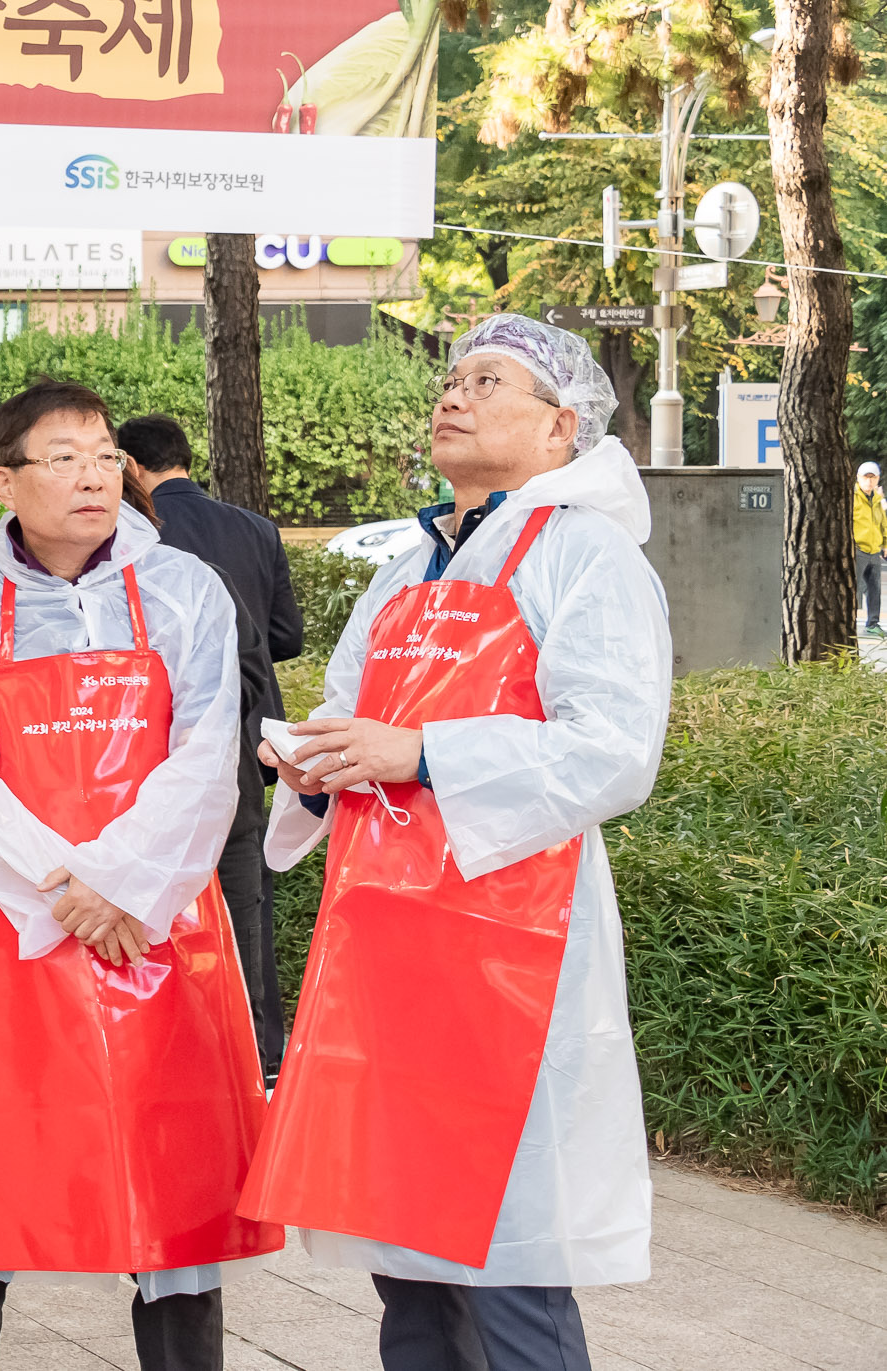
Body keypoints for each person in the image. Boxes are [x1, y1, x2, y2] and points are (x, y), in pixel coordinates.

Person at [242, 314, 671, 1371]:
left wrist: (420, 751)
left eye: (488, 380)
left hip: (510, 950)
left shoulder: (585, 553)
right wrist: (316, 762)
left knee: (508, 1264)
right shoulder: (406, 565)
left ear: (561, 425)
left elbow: (613, 749)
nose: (454, 395)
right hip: (387, 945)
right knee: (410, 1265)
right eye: (451, 378)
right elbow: (352, 713)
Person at [0, 379, 279, 1371]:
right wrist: (63, 887)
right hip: (13, 923)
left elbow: (207, 751)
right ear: (4, 483)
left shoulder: (182, 590)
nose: (91, 474)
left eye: (104, 453)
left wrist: (121, 884)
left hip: (157, 927)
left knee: (170, 1179)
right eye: (61, 455)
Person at [115, 413, 302, 1079]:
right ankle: (248, 1067)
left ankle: (245, 1076)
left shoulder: (194, 583)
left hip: (215, 792)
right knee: (231, 940)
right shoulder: (252, 529)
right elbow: (287, 637)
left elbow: (248, 665)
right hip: (204, 787)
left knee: (228, 940)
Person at [855, 461, 885, 635]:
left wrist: (885, 544)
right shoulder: (852, 497)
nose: (869, 481)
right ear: (858, 478)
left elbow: (883, 523)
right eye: (866, 477)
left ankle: (872, 623)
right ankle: (847, 621)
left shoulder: (878, 500)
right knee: (854, 588)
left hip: (874, 550)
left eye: (872, 478)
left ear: (877, 479)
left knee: (875, 589)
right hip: (858, 549)